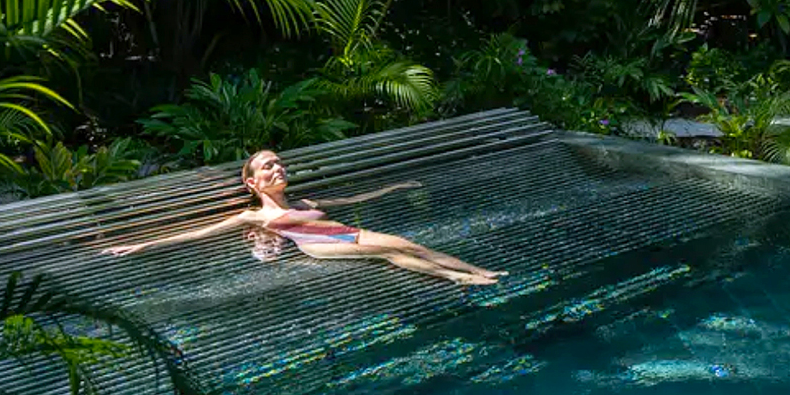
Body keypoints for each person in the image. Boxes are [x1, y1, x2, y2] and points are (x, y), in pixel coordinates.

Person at [103, 149, 505, 286]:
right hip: (320, 244)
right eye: (267, 167)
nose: (278, 169)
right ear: (251, 182)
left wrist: (394, 190)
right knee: (400, 245)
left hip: (344, 233)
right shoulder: (253, 215)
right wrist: (142, 244)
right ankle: (472, 274)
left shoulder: (304, 203)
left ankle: (465, 274)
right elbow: (198, 233)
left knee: (393, 251)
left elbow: (354, 198)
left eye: (280, 164)